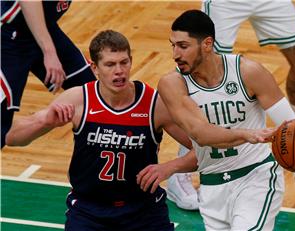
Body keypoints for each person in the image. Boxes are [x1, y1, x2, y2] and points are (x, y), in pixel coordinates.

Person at [5, 29, 273, 231]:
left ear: (132, 61)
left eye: (124, 63)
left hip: (143, 213)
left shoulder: (154, 104)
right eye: (110, 65)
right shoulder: (78, 100)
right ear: (95, 68)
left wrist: (170, 167)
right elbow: (11, 138)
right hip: (88, 212)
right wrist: (46, 122)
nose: (119, 72)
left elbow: (207, 148)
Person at [137, 10, 295, 230]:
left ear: (207, 44)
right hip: (211, 186)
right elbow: (201, 134)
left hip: (256, 178)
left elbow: (292, 126)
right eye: (172, 45)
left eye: (183, 46)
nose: (175, 54)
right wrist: (247, 134)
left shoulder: (248, 72)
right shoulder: (172, 84)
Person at [1, 0, 96, 148]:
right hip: (7, 36)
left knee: (95, 95)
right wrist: (49, 52)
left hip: (44, 27)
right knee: (1, 122)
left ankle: (94, 164)